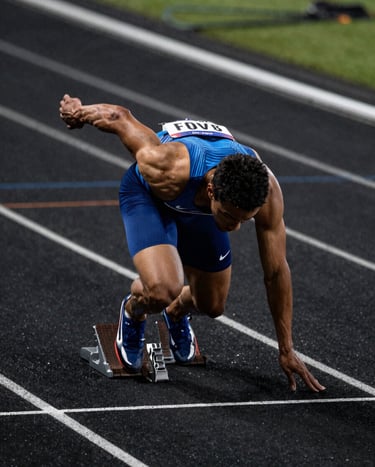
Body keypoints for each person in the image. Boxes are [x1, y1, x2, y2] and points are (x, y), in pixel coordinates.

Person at [59, 94, 325, 392]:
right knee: (162, 289)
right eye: (230, 217)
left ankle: (176, 313)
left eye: (244, 219)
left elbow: (275, 273)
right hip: (152, 198)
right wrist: (77, 113)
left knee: (211, 305)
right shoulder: (165, 165)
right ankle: (133, 312)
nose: (235, 227)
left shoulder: (266, 192)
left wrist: (286, 348)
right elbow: (119, 117)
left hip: (201, 211)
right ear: (211, 190)